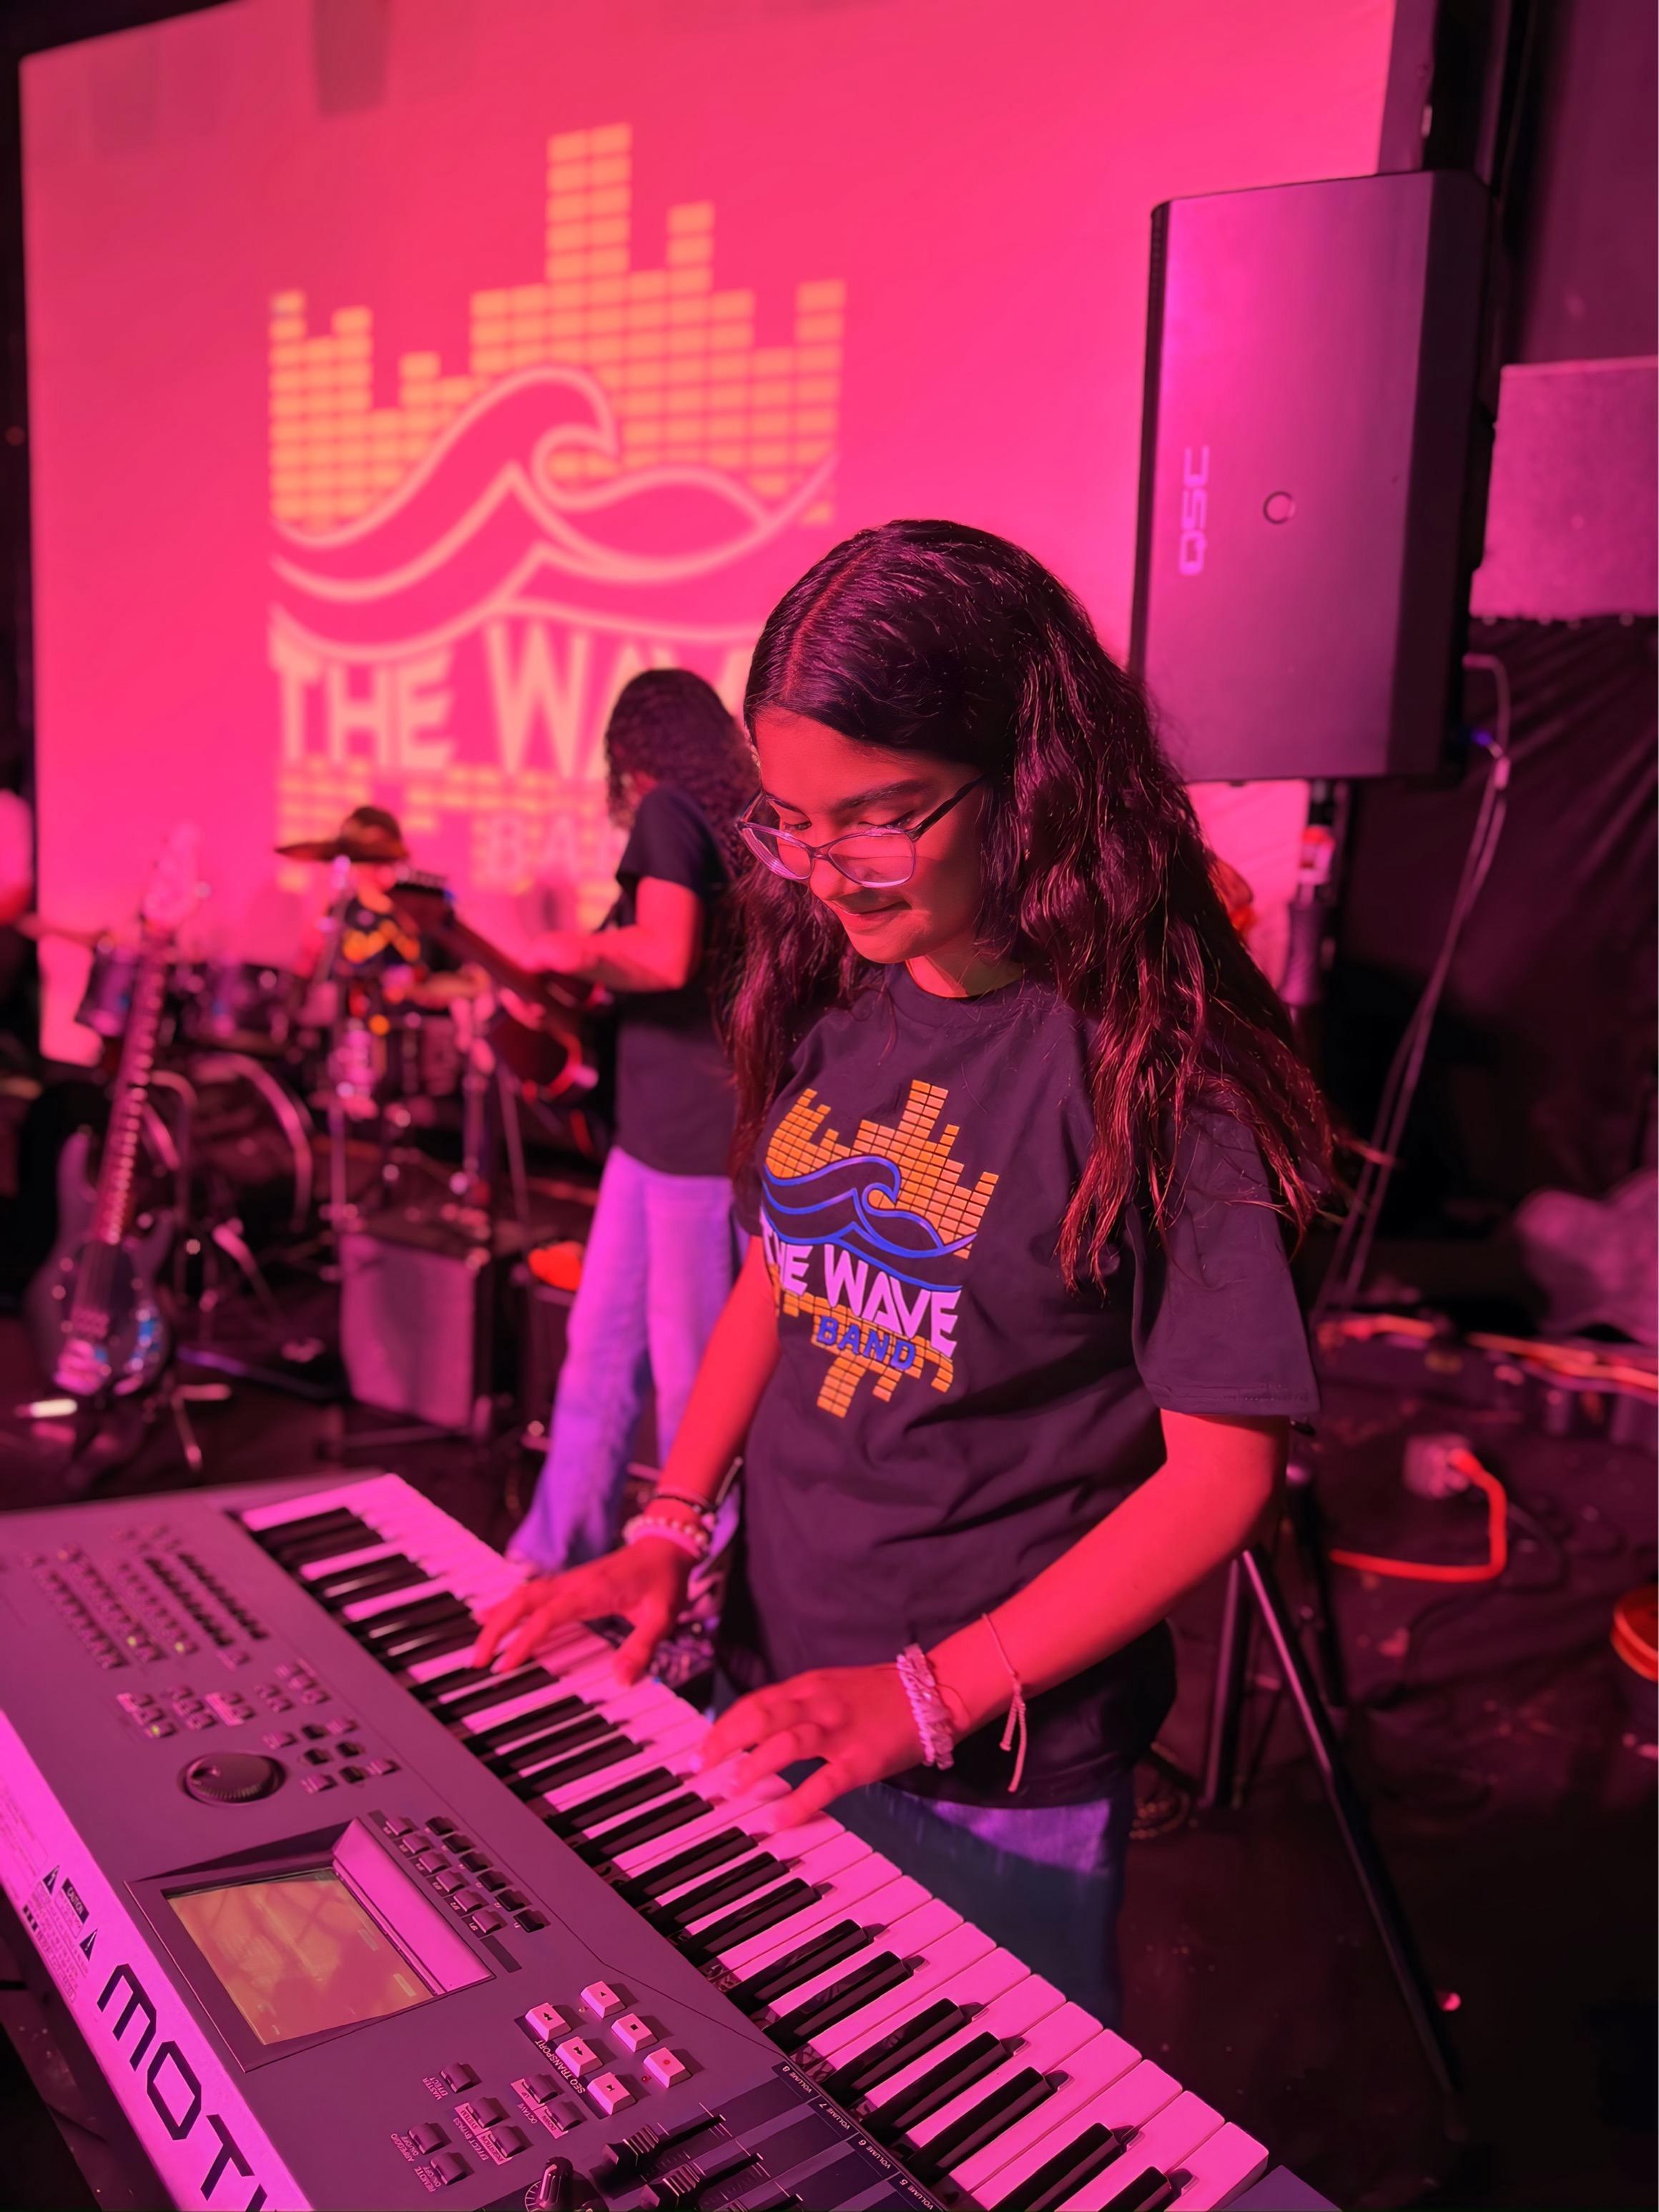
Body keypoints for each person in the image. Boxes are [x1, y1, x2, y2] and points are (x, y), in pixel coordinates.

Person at [472, 521, 1331, 2025]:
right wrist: (669, 1528)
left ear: (1029, 775)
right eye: (790, 828)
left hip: (994, 1755)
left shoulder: (1149, 1069)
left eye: (874, 820)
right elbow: (776, 1275)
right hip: (781, 1686)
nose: (822, 875)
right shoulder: (838, 995)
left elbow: (1220, 1479)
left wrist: (927, 1692)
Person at [508, 667, 755, 1570]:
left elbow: (662, 954)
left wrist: (565, 948)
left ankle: (701, 1589)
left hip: (686, 1152)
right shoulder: (730, 826)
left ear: (632, 755)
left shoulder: (668, 815)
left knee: (694, 1394)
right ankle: (545, 1561)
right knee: (599, 1364)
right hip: (659, 1146)